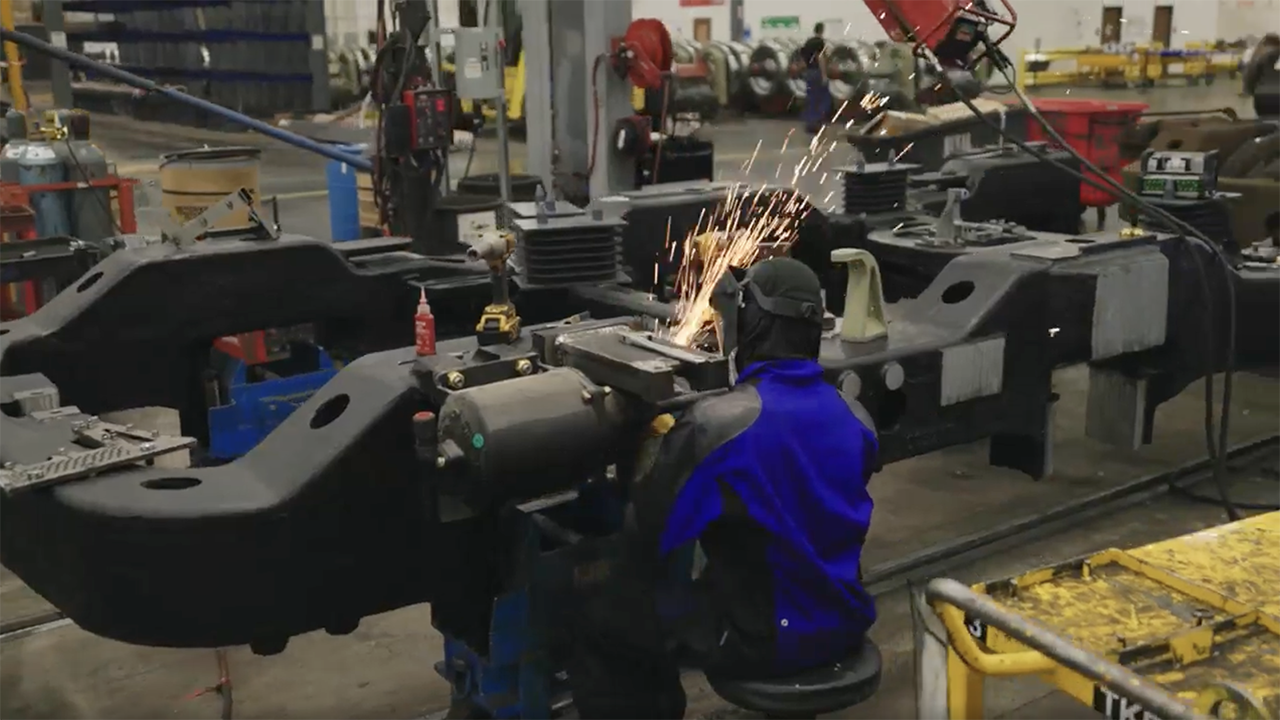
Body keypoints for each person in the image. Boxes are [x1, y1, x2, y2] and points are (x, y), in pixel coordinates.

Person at [567, 258, 879, 719]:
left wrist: (648, 453)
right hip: (846, 622)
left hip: (766, 640)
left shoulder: (720, 427)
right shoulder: (857, 416)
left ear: (752, 325)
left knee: (606, 618)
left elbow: (648, 534)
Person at [800, 23, 833, 133]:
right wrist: (824, 75)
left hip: (808, 72)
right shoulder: (819, 42)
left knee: (811, 98)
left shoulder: (808, 42)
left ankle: (809, 123)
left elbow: (802, 57)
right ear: (822, 30)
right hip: (817, 72)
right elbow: (820, 58)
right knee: (824, 97)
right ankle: (817, 121)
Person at [1244, 33, 1280, 120]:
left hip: (1262, 97)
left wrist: (1251, 91)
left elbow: (1250, 77)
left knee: (1264, 123)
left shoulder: (1258, 54)